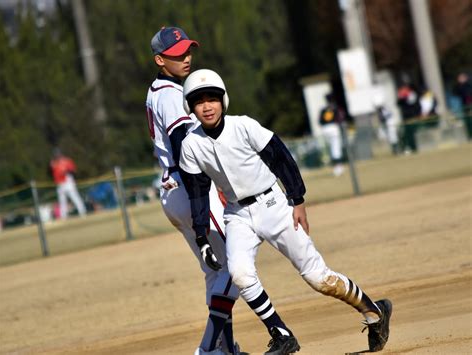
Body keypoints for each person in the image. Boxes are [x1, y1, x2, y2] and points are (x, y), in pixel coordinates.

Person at [179, 69, 393, 354]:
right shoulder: (191, 145)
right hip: (237, 215)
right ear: (190, 107)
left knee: (318, 277)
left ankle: (375, 312)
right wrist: (202, 238)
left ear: (223, 100)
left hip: (273, 205)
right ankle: (281, 334)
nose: (207, 106)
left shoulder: (243, 126)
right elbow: (196, 193)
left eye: (212, 98)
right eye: (199, 101)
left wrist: (298, 200)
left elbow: (280, 157)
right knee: (240, 273)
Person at [144, 27, 240, 355]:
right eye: (176, 54)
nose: (186, 58)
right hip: (190, 187)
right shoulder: (171, 94)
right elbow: (183, 145)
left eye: (187, 50)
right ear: (160, 59)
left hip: (172, 190)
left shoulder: (159, 90)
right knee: (236, 266)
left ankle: (224, 349)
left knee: (215, 272)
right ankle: (209, 349)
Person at [49, 148, 86, 219]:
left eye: (58, 154)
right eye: (55, 154)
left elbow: (73, 171)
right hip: (59, 184)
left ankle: (82, 211)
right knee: (62, 200)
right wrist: (51, 167)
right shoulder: (53, 163)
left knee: (74, 197)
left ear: (60, 154)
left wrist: (67, 173)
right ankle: (63, 216)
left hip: (67, 182)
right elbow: (50, 173)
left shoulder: (67, 161)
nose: (57, 155)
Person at [318, 93, 345, 176]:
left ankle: (336, 166)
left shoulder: (323, 109)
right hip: (334, 128)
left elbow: (320, 121)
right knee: (336, 148)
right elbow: (340, 118)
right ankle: (338, 167)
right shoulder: (335, 108)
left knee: (331, 148)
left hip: (325, 130)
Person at [397, 82, 421, 154]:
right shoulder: (402, 97)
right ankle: (409, 148)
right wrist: (401, 97)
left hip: (412, 117)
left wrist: (405, 96)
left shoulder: (412, 94)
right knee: (406, 134)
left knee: (413, 133)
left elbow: (411, 103)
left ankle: (414, 148)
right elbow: (398, 103)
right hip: (406, 118)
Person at [453, 72, 472, 140]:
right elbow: (455, 93)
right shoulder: (458, 86)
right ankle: (469, 135)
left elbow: (468, 94)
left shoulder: (468, 85)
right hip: (464, 106)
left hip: (469, 105)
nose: (459, 79)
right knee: (467, 121)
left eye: (461, 78)